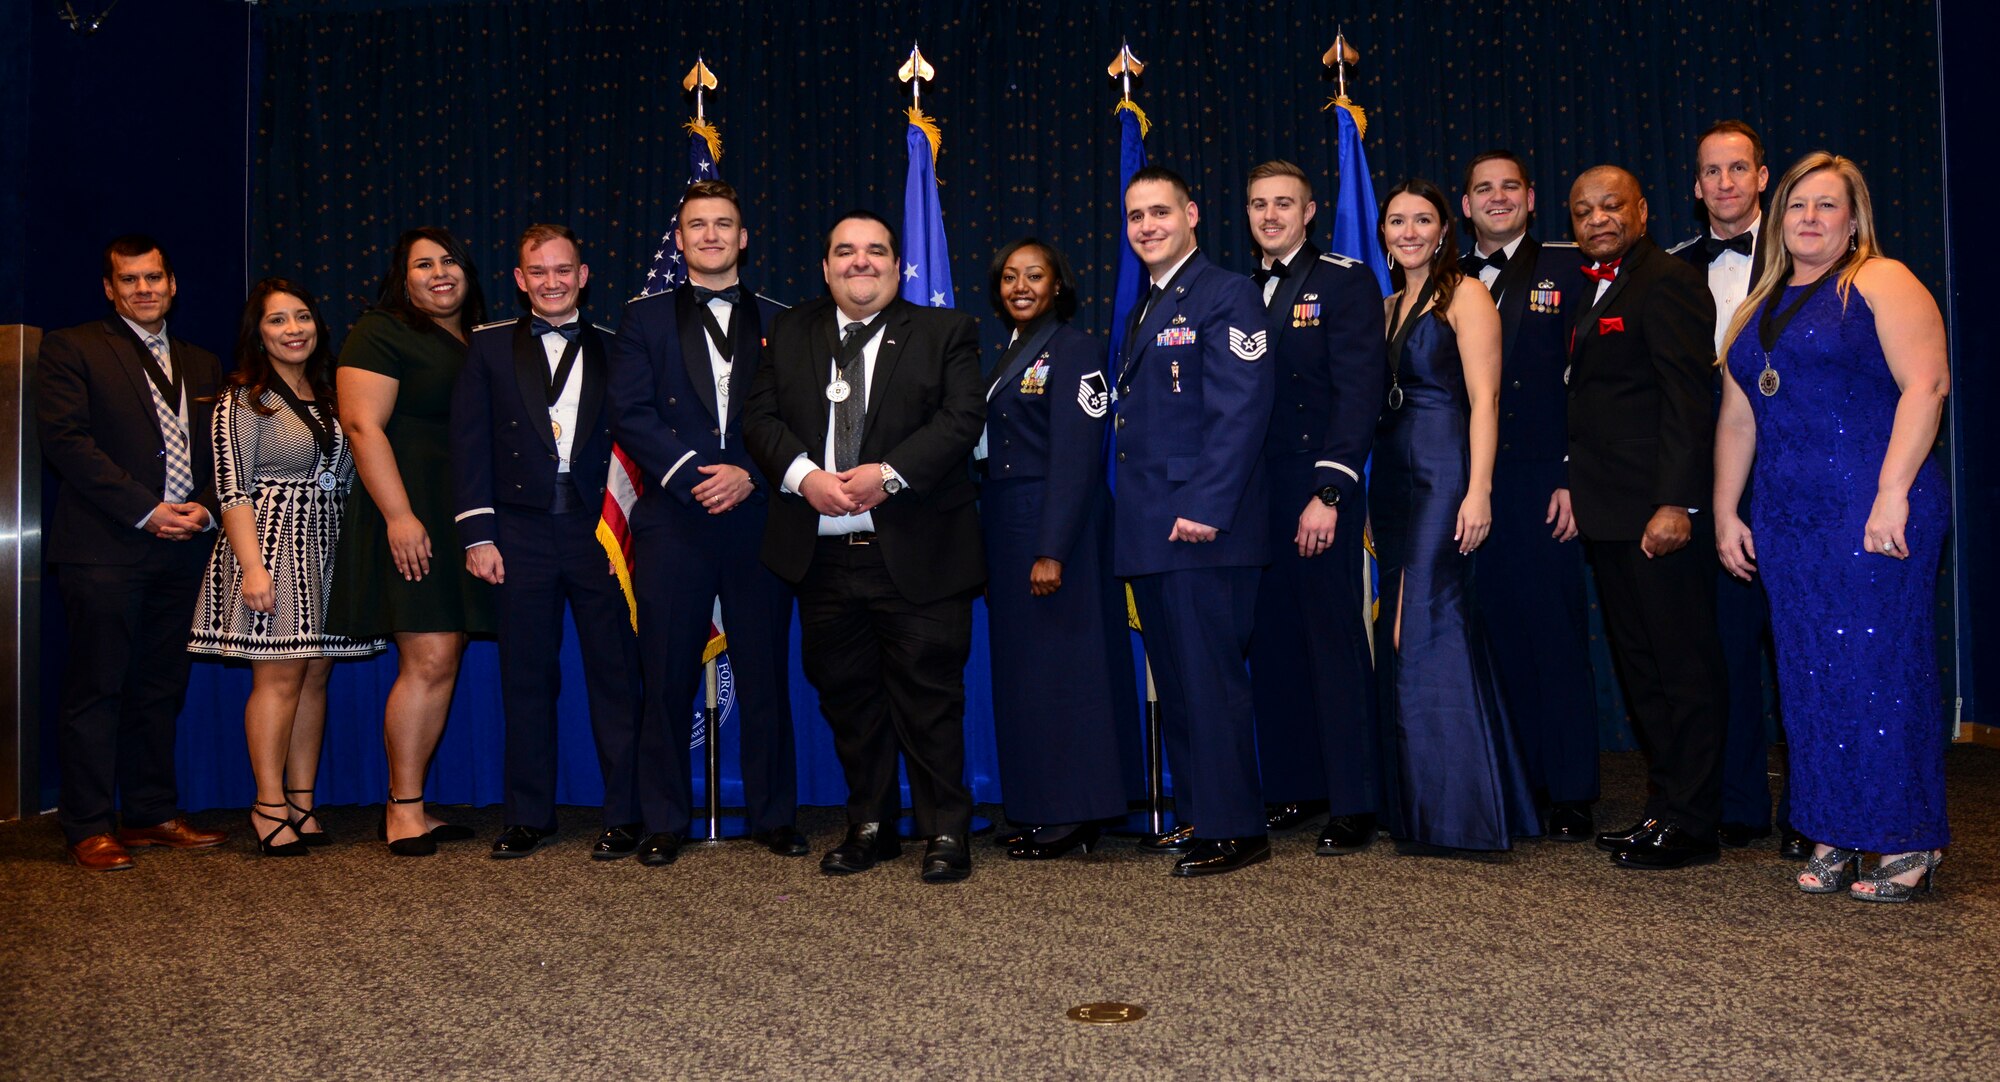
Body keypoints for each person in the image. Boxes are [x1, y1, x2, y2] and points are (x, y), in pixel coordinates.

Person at [1714, 152, 1951, 901]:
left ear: (1854, 219)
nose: (1809, 218)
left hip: (1873, 506)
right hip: (1788, 519)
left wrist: (1892, 492)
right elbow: (1737, 420)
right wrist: (1725, 509)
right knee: (1809, 676)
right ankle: (1833, 832)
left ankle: (1907, 839)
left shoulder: (1880, 279)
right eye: (1796, 206)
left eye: (1826, 206)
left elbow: (1928, 383)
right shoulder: (1762, 302)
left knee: (1881, 673)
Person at [741, 210, 986, 884]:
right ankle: (869, 825)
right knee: (848, 698)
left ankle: (945, 832)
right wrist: (804, 477)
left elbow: (963, 417)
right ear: (826, 268)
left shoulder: (946, 331)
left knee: (930, 698)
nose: (861, 262)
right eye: (845, 252)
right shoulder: (791, 329)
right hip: (822, 557)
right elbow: (758, 418)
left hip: (919, 551)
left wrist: (888, 473)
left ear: (898, 266)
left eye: (875, 251)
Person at [607, 182, 807, 864]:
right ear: (682, 239)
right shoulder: (644, 319)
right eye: (698, 225)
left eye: (725, 224)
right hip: (676, 518)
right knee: (663, 674)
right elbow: (629, 412)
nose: (712, 235)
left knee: (764, 675)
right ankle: (664, 818)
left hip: (757, 515)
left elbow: (798, 414)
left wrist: (751, 472)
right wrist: (698, 474)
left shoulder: (785, 319)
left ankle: (774, 816)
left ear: (744, 237)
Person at [452, 224, 649, 862]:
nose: (552, 282)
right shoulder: (485, 349)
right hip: (519, 532)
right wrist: (478, 533)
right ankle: (527, 816)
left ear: (584, 275)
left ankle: (625, 814)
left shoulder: (620, 348)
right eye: (538, 272)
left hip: (598, 533)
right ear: (519, 279)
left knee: (616, 677)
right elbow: (470, 444)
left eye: (563, 270)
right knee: (526, 678)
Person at [37, 234, 229, 870]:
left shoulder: (202, 361)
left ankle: (149, 812)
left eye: (154, 278)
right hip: (107, 547)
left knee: (159, 686)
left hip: (183, 549)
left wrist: (202, 506)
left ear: (172, 284)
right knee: (98, 687)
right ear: (109, 288)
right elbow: (67, 443)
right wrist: (146, 511)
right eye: (129, 280)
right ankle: (87, 824)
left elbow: (221, 450)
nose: (143, 289)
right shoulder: (74, 347)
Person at [1564, 165, 1730, 870]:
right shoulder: (1594, 284)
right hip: (1610, 516)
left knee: (1682, 668)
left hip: (1657, 516)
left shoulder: (1667, 281)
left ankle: (1693, 822)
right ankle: (1666, 808)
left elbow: (1689, 402)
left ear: (1643, 208)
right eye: (1583, 211)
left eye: (1611, 206)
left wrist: (1677, 502)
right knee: (1642, 670)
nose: (1598, 218)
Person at [1112, 166, 1274, 877]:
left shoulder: (1227, 293)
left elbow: (1240, 411)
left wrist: (1207, 507)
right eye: (1136, 216)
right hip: (1153, 528)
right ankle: (1201, 813)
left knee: (1210, 682)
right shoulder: (1146, 304)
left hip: (1203, 527)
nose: (1147, 226)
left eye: (1160, 212)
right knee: (1177, 682)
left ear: (1193, 214)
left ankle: (1238, 826)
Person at [1372, 178, 1539, 856]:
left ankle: (1455, 810)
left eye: (1421, 220)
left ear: (1445, 230)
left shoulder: (1465, 294)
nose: (1407, 232)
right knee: (1404, 630)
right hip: (1392, 480)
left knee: (1427, 625)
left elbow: (1486, 398)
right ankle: (1428, 801)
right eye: (1395, 221)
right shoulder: (1385, 306)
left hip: (1445, 475)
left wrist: (1479, 491)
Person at [190, 279, 384, 855]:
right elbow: (232, 489)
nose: (293, 329)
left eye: (302, 317)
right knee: (278, 676)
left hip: (326, 546)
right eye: (278, 321)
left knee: (315, 674)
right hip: (271, 546)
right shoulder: (243, 398)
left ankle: (302, 801)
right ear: (259, 333)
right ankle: (267, 804)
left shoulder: (330, 394)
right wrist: (252, 567)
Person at [327, 226, 494, 856]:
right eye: (423, 265)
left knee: (443, 657)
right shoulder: (381, 331)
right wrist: (399, 516)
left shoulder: (477, 338)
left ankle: (415, 806)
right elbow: (362, 427)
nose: (440, 273)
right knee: (425, 660)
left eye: (450, 260)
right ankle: (401, 809)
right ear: (403, 278)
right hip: (412, 514)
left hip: (462, 517)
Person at [1238, 160, 1386, 854]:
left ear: (1310, 211)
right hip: (1253, 491)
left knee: (1331, 638)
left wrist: (1330, 491)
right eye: (1259, 205)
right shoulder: (1237, 290)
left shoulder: (1344, 279)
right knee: (1271, 643)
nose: (1270, 216)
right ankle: (1296, 784)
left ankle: (1356, 798)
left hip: (1316, 481)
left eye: (1284, 204)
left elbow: (1359, 390)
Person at [975, 237, 1139, 860]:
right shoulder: (1012, 352)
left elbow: (1076, 458)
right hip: (1009, 526)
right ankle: (1045, 805)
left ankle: (1076, 813)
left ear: (1058, 286)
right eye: (1010, 276)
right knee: (1031, 676)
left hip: (1052, 527)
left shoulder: (1076, 350)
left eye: (1034, 276)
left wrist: (1052, 550)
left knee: (1067, 673)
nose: (1021, 286)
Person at [1457, 151, 1600, 842]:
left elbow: (1595, 381)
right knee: (1498, 635)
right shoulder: (1443, 279)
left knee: (1557, 635)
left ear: (1532, 197)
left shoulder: (1569, 268)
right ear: (1464, 205)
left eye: (1509, 186)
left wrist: (1576, 473)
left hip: (1547, 480)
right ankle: (1524, 780)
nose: (1497, 197)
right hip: (1470, 485)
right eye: (1483, 188)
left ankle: (1572, 788)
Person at [1667, 120, 1796, 858]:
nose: (1724, 183)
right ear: (1696, 185)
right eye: (1711, 171)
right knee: (1727, 652)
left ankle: (1816, 811)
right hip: (1711, 480)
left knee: (1803, 648)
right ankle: (1743, 805)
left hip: (1795, 478)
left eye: (1737, 169)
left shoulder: (1804, 262)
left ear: (1762, 176)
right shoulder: (1673, 268)